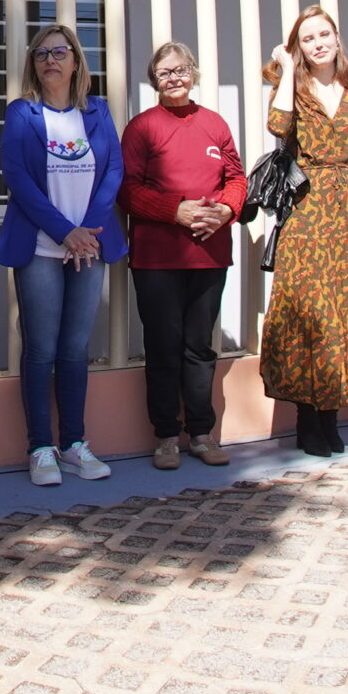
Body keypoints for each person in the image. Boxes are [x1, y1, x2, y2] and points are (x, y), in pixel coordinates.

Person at [0, 23, 126, 485]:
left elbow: (113, 170)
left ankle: (73, 443)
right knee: (41, 350)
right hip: (42, 248)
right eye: (42, 53)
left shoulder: (99, 111)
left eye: (60, 52)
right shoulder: (21, 114)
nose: (51, 60)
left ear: (75, 62)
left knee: (74, 350)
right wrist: (65, 232)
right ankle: (40, 447)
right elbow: (18, 178)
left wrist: (86, 231)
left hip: (88, 246)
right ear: (33, 64)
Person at [264, 5, 348, 455]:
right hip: (307, 210)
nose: (318, 43)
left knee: (346, 313)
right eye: (307, 39)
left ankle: (332, 416)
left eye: (324, 35)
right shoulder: (293, 90)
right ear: (299, 47)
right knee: (309, 314)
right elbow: (277, 127)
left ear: (338, 39)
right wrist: (284, 69)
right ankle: (307, 419)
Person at [119, 40, 246, 470]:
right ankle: (166, 436)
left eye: (180, 70)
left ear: (193, 73)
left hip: (209, 254)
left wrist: (226, 211)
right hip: (157, 258)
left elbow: (237, 177)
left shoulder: (214, 124)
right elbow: (128, 189)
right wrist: (175, 210)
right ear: (153, 80)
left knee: (199, 347)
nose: (174, 78)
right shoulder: (141, 128)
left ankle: (202, 432)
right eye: (164, 73)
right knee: (162, 347)